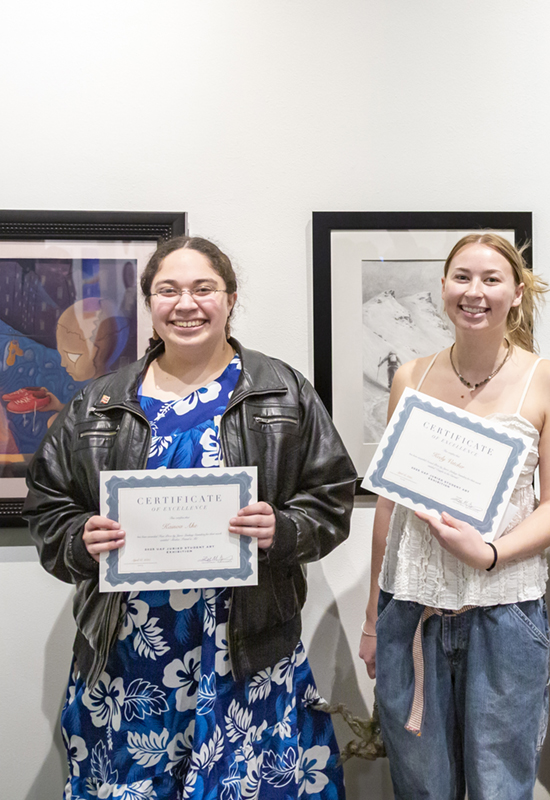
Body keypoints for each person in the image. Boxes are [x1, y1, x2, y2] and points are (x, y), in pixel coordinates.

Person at [25, 236, 357, 800]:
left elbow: (332, 495)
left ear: (229, 299)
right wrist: (80, 538)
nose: (186, 304)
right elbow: (47, 505)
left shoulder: (284, 391)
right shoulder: (98, 403)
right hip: (131, 659)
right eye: (168, 290)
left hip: (247, 652)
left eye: (204, 289)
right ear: (149, 303)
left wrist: (285, 528)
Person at [358, 233, 550, 800]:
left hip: (505, 613)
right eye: (461, 277)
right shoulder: (409, 376)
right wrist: (370, 618)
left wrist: (489, 553)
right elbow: (389, 502)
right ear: (442, 288)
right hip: (409, 606)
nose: (474, 291)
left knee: (499, 786)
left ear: (516, 293)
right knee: (420, 786)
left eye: (490, 279)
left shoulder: (548, 380)